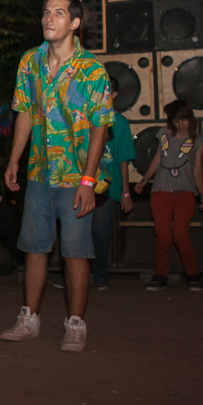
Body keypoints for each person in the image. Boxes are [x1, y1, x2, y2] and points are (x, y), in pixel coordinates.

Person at [0, 0, 113, 353]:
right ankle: (29, 318)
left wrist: (88, 180)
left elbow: (100, 128)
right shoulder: (30, 62)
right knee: (34, 247)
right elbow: (24, 112)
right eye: (46, 12)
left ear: (75, 23)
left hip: (77, 176)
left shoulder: (92, 70)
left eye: (58, 13)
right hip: (39, 172)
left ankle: (75, 324)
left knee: (75, 251)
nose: (48, 18)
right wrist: (14, 159)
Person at [134, 99, 203, 291]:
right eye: (176, 121)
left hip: (185, 191)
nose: (180, 124)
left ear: (190, 119)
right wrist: (144, 180)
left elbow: (197, 170)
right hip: (161, 191)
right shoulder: (164, 134)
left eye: (183, 120)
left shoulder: (198, 140)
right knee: (163, 236)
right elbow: (157, 159)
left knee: (181, 235)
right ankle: (160, 275)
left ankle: (193, 274)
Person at [91, 80, 136, 290]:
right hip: (80, 184)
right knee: (77, 231)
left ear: (114, 94)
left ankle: (99, 274)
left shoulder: (120, 123)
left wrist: (126, 192)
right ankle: (76, 275)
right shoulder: (84, 117)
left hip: (106, 188)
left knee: (100, 232)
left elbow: (123, 159)